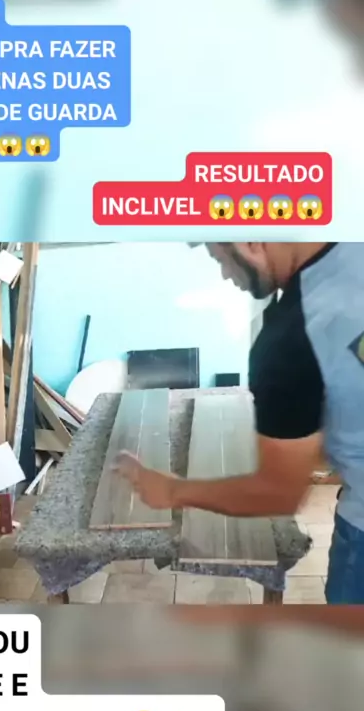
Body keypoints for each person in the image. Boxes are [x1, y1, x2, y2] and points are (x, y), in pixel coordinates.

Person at [115, 242, 364, 604]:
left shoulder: (290, 338)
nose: (225, 274)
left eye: (220, 259)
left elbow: (277, 493)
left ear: (250, 242)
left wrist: (171, 491)